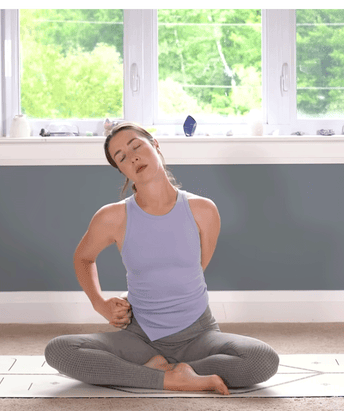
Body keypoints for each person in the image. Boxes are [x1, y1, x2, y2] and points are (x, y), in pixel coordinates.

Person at [44, 122, 279, 395]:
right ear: (120, 169)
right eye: (121, 157)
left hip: (199, 334)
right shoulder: (112, 217)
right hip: (139, 335)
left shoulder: (203, 210)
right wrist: (101, 304)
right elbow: (83, 258)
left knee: (263, 359)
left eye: (137, 146)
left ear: (155, 145)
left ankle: (154, 370)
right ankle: (176, 378)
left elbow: (195, 268)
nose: (132, 156)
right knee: (60, 351)